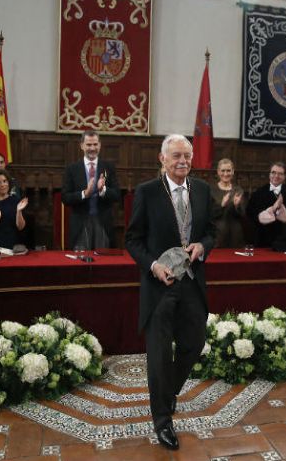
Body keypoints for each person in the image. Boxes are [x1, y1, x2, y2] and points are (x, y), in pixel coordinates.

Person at [125, 134, 215, 451]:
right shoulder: (147, 192)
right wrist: (153, 266)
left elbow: (211, 232)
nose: (183, 162)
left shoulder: (203, 190)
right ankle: (163, 422)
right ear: (162, 158)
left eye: (187, 156)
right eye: (176, 155)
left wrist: (203, 245)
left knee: (195, 343)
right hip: (159, 286)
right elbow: (133, 240)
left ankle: (167, 393)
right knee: (160, 357)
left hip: (191, 282)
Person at [61, 130, 120, 249]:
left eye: (95, 144)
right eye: (88, 145)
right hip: (80, 225)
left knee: (103, 263)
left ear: (100, 145)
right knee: (80, 264)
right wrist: (84, 194)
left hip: (103, 224)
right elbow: (65, 198)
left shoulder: (108, 167)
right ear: (82, 145)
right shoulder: (72, 169)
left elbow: (117, 195)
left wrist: (103, 190)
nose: (92, 148)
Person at [245, 162, 286, 250]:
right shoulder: (259, 192)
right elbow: (250, 211)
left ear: (284, 176)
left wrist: (283, 213)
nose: (276, 176)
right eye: (273, 172)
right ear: (269, 174)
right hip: (263, 238)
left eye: (280, 174)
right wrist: (264, 215)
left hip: (284, 239)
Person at [210, 158, 246, 248]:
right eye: (223, 171)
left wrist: (236, 206)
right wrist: (222, 205)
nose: (225, 174)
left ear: (233, 172)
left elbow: (243, 215)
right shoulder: (211, 190)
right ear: (218, 172)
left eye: (228, 171)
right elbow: (209, 215)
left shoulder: (238, 190)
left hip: (236, 236)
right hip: (218, 236)